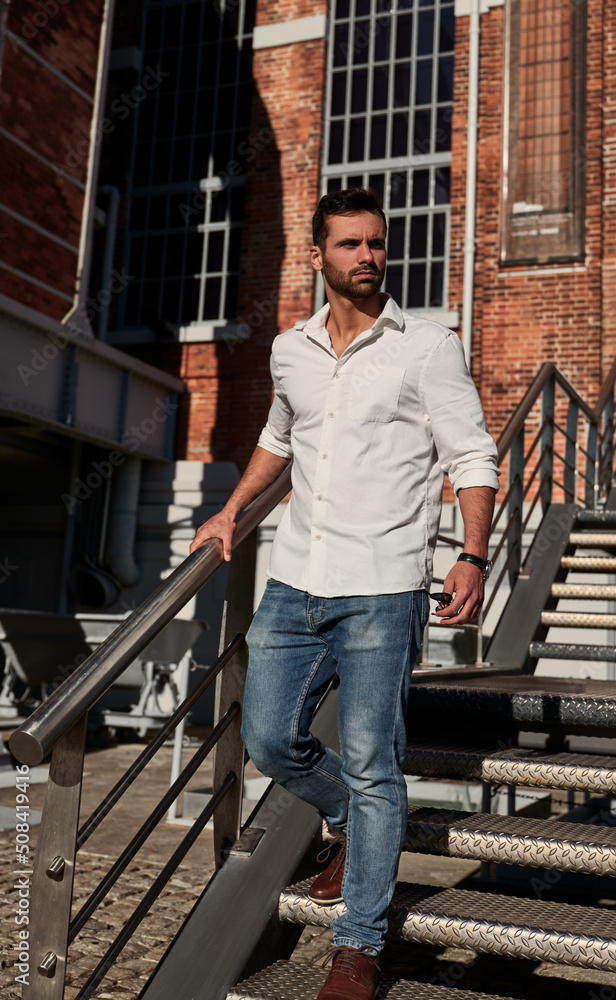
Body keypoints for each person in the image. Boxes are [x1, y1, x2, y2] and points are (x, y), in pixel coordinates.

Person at [191, 188, 499, 1000]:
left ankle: (358, 947)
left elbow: (471, 456)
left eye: (376, 244)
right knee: (267, 740)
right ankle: (352, 834)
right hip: (294, 580)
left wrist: (470, 554)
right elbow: (277, 439)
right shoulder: (290, 349)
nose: (366, 256)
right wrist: (229, 511)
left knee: (373, 764)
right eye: (349, 244)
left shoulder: (427, 347)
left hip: (382, 586)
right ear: (318, 255)